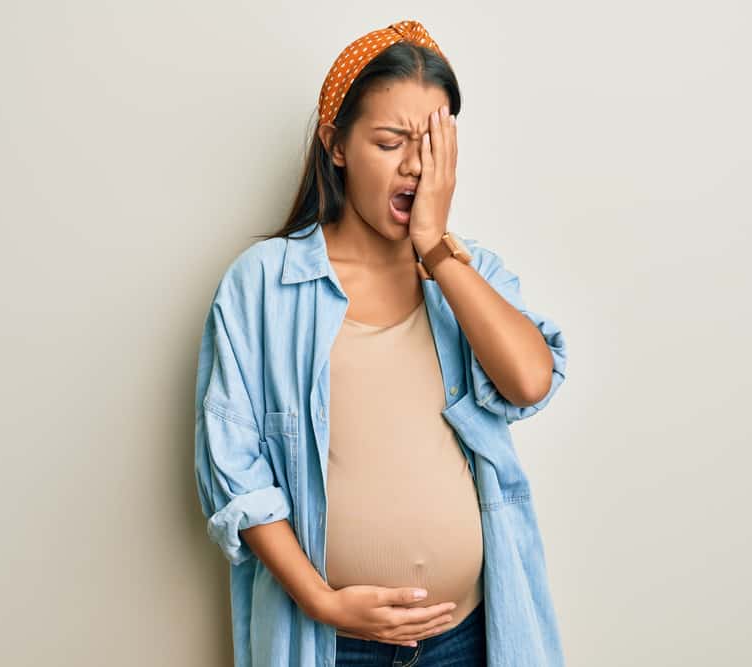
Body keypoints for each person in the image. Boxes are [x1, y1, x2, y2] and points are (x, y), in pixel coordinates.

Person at [194, 20, 569, 667]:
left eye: (432, 143)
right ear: (335, 144)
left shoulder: (467, 271)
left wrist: (437, 251)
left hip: (472, 638)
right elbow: (235, 470)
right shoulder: (263, 284)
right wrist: (322, 600)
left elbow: (531, 380)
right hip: (333, 645)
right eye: (391, 142)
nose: (416, 165)